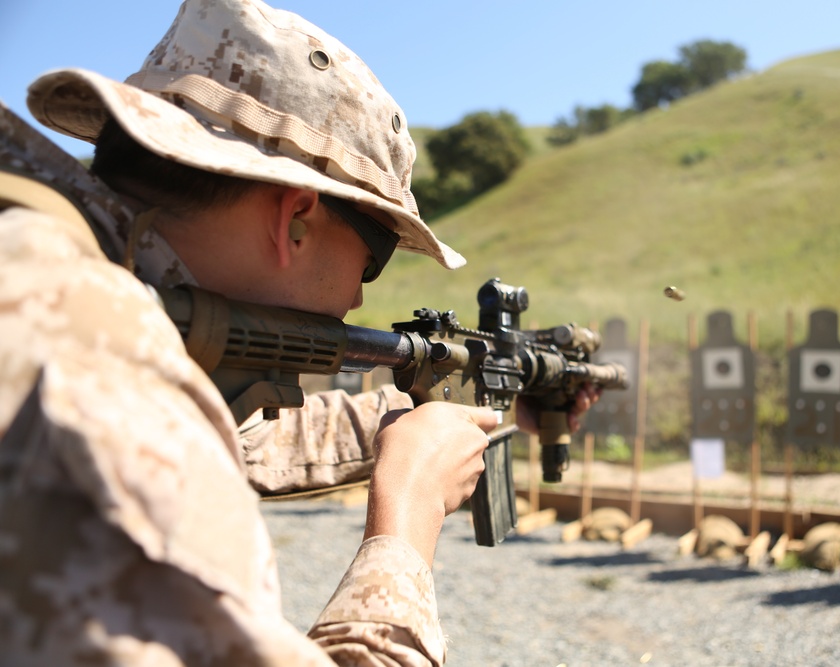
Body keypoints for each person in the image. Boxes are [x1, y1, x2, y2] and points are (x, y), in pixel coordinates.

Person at [0, 0, 599, 664]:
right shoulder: (88, 366)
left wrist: (458, 418)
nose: (360, 294)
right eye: (376, 254)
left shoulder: (63, 285)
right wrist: (406, 520)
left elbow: (234, 435)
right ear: (296, 219)